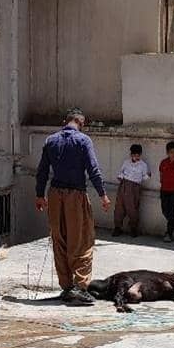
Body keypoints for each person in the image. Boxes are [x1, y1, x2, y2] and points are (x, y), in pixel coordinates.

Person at [35, 108, 111, 305]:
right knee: (82, 240)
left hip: (54, 194)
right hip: (75, 195)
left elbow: (42, 170)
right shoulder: (84, 141)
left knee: (59, 239)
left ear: (65, 121)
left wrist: (39, 195)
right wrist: (102, 194)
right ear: (81, 123)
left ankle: (67, 285)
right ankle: (80, 286)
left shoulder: (51, 141)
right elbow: (93, 169)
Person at [113, 144, 151, 237]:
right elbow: (121, 172)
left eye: (137, 155)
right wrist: (120, 177)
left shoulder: (143, 165)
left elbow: (144, 177)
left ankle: (133, 228)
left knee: (133, 208)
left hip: (135, 187)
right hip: (124, 185)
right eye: (134, 155)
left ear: (140, 155)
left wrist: (148, 176)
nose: (135, 157)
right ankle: (117, 227)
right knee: (119, 207)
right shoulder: (126, 162)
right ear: (131, 154)